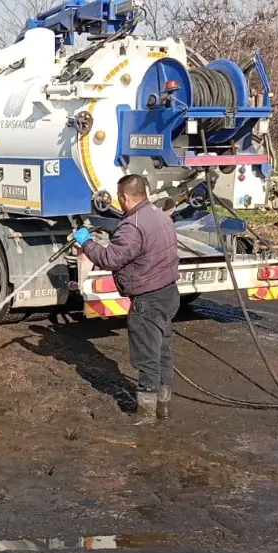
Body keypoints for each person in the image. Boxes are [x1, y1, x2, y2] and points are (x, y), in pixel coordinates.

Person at [74, 175, 180, 425]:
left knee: (147, 357)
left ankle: (145, 417)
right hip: (168, 293)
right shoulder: (160, 215)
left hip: (148, 299)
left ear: (123, 197)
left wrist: (86, 243)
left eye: (119, 198)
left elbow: (111, 259)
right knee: (162, 352)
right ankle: (163, 408)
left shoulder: (132, 225)